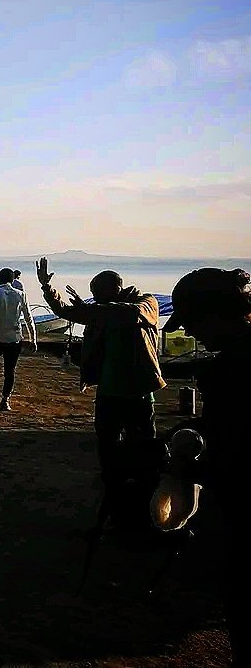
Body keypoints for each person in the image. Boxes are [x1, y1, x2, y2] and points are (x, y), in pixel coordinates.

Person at [162, 267, 251, 666]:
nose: (194, 334)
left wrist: (184, 470)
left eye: (195, 323)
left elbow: (234, 456)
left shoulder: (230, 370)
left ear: (215, 314)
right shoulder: (232, 361)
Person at [36, 257, 165, 476]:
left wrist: (90, 309)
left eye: (97, 294)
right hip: (108, 392)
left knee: (143, 448)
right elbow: (68, 313)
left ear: (115, 289)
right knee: (107, 447)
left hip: (139, 391)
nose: (95, 299)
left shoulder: (145, 302)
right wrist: (47, 288)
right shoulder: (100, 310)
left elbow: (128, 313)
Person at [0, 268, 37, 411]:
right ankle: (5, 400)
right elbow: (29, 318)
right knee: (10, 370)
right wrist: (33, 338)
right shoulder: (21, 295)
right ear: (12, 281)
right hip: (14, 338)